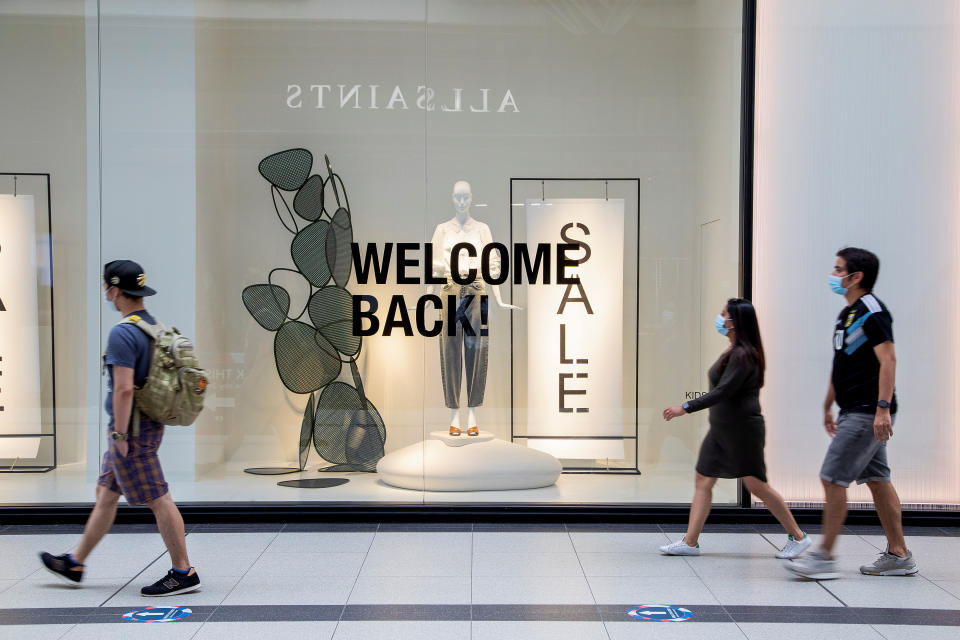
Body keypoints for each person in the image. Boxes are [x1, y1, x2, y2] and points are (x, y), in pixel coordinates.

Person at [39, 260, 201, 596]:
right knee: (107, 495)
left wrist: (121, 435)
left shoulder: (123, 333)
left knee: (159, 498)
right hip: (145, 425)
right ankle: (76, 562)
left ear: (114, 290)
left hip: (132, 433)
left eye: (106, 288)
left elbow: (125, 388)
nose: (106, 294)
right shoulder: (152, 326)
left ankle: (183, 570)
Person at [786, 248, 917, 580]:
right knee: (878, 480)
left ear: (856, 277)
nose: (833, 275)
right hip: (852, 410)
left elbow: (889, 360)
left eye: (838, 269)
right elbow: (840, 363)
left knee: (832, 477)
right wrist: (828, 404)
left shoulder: (872, 311)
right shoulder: (847, 313)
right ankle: (899, 555)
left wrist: (882, 409)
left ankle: (824, 557)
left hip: (867, 412)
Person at [660, 298, 810, 559]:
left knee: (757, 486)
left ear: (735, 321)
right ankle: (690, 541)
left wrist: (684, 407)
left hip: (742, 432)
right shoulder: (733, 350)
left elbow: (723, 392)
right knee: (703, 479)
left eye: (723, 315)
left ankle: (798, 536)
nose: (719, 319)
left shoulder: (743, 355)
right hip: (721, 430)